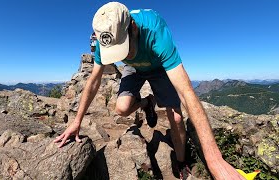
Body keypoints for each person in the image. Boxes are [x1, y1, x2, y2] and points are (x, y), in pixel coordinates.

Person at [54, 2, 244, 179]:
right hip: (134, 69)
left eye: (123, 47)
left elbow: (186, 92)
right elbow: (94, 81)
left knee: (176, 118)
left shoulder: (155, 31)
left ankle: (181, 162)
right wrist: (76, 121)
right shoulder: (105, 38)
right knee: (122, 108)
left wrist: (215, 161)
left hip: (158, 66)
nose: (124, 55)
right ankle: (147, 103)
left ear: (134, 28)